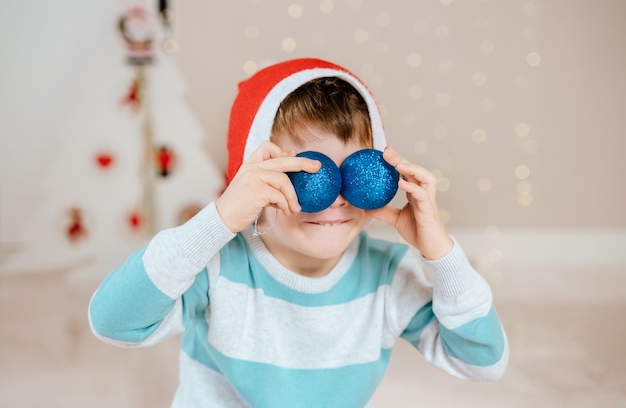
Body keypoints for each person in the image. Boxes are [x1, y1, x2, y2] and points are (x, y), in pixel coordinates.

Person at [89, 58, 508, 407]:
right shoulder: (219, 266)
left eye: (354, 171)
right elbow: (113, 321)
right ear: (253, 184)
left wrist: (441, 254)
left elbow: (482, 363)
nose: (334, 198)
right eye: (308, 172)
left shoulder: (387, 276)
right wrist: (220, 220)